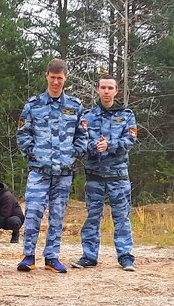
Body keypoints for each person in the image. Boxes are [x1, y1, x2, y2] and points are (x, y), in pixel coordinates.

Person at [15, 58, 85, 273]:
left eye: (60, 78)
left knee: (57, 215)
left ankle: (52, 258)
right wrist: (34, 154)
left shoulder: (74, 106)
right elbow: (22, 134)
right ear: (47, 76)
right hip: (39, 171)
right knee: (34, 213)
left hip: (63, 172)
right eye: (53, 77)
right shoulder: (33, 105)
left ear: (65, 78)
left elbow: (82, 136)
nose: (56, 82)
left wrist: (73, 155)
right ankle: (28, 256)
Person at [74, 75, 138, 271]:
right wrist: (95, 147)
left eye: (110, 88)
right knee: (92, 216)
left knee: (121, 217)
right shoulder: (88, 116)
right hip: (95, 175)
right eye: (103, 87)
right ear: (97, 90)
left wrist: (110, 145)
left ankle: (125, 256)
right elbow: (81, 141)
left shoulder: (126, 115)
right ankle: (89, 256)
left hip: (118, 175)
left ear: (116, 91)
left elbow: (130, 140)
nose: (106, 91)